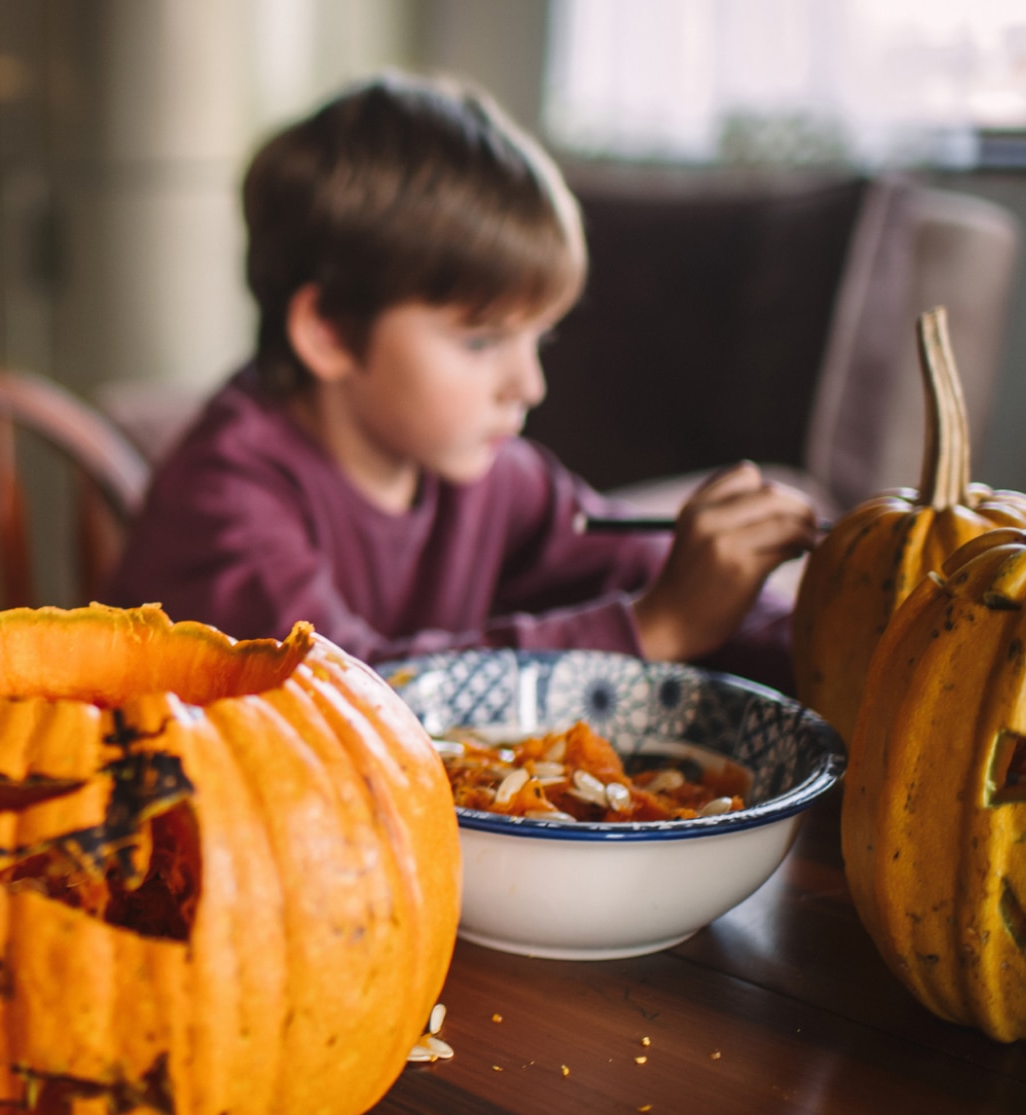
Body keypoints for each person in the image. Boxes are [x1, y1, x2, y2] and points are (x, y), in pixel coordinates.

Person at [107, 74, 815, 689]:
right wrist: (653, 630)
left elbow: (649, 568)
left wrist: (812, 638)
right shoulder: (225, 497)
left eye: (540, 336)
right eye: (482, 339)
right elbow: (347, 696)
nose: (528, 385)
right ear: (327, 329)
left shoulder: (495, 475)